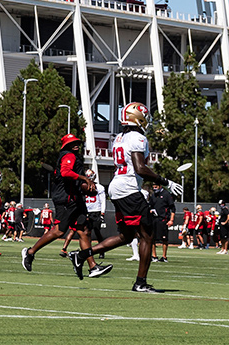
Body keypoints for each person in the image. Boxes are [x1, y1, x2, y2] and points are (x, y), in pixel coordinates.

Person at [70, 102, 182, 292]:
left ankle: (81, 256)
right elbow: (140, 168)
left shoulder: (120, 137)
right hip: (128, 188)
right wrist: (165, 181)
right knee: (148, 236)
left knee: (126, 235)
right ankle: (140, 282)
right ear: (138, 118)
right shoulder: (138, 137)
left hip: (117, 186)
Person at [21, 134, 110, 277]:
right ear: (66, 145)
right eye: (72, 143)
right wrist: (84, 179)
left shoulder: (73, 156)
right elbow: (66, 172)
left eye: (76, 142)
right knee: (59, 231)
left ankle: (92, 266)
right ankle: (30, 252)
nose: (76, 144)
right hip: (66, 199)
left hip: (75, 198)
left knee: (84, 230)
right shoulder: (69, 156)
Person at [151, 181, 176, 262]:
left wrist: (171, 220)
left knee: (164, 239)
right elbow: (150, 205)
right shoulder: (153, 195)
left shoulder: (166, 194)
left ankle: (164, 256)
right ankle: (154, 256)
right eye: (153, 186)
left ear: (160, 186)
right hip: (153, 219)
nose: (154, 188)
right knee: (152, 238)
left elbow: (172, 208)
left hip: (163, 219)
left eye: (156, 186)